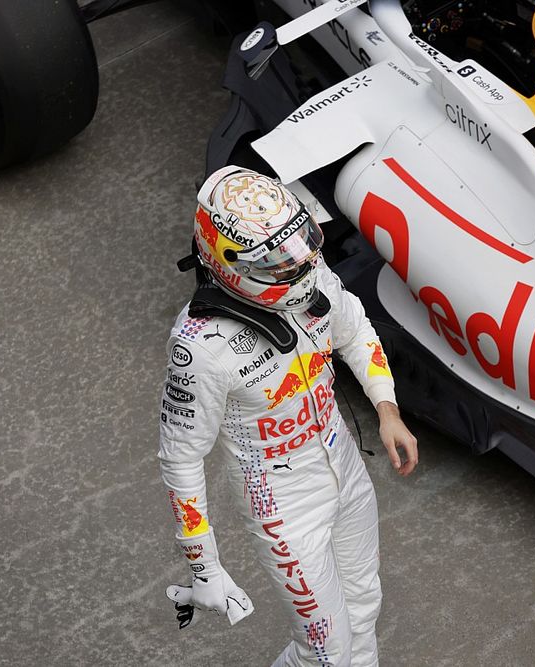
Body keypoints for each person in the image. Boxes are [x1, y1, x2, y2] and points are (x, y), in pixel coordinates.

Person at [158, 165, 418, 666]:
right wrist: (203, 563)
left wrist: (387, 409)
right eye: (278, 261)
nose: (300, 266)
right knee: (325, 653)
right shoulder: (200, 348)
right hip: (284, 510)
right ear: (233, 265)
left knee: (365, 607)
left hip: (347, 471)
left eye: (300, 246)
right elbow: (181, 460)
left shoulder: (308, 272)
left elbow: (355, 328)